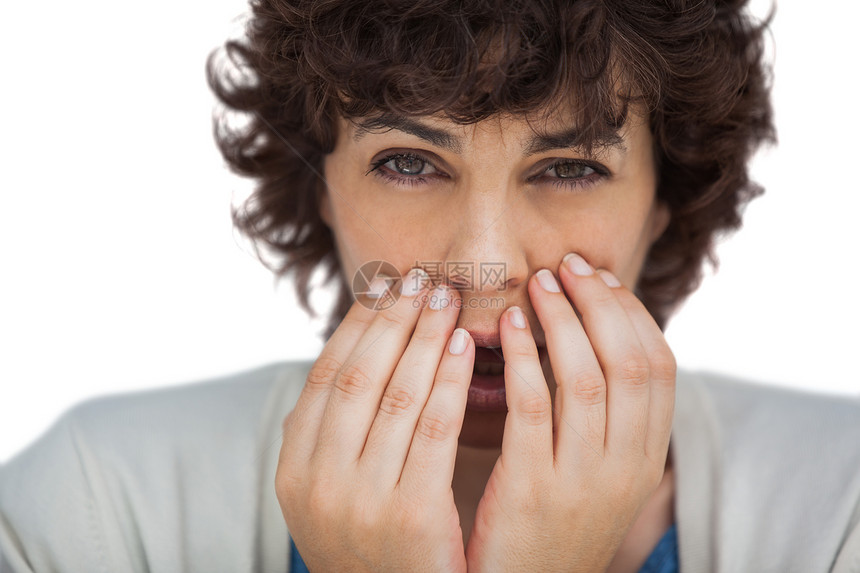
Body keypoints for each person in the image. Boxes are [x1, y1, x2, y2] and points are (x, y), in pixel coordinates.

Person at [1, 0, 859, 571]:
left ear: (664, 203)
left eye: (568, 168)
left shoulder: (838, 507)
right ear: (321, 188)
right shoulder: (90, 509)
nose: (481, 271)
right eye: (408, 162)